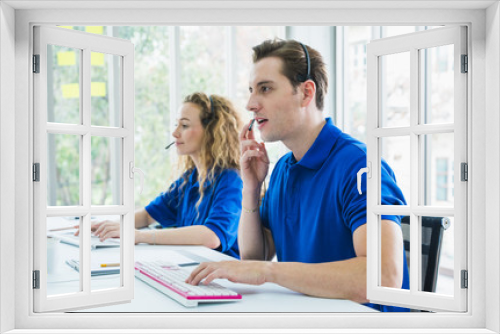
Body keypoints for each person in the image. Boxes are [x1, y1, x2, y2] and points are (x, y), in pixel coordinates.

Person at [185, 39, 409, 311]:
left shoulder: (360, 165)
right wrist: (251, 190)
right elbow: (255, 257)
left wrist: (270, 272)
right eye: (251, 91)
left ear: (306, 93)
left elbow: (384, 276)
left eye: (265, 89)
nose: (251, 104)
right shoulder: (281, 169)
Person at [76, 92, 244, 258]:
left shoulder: (231, 180)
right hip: (194, 268)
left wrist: (139, 236)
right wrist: (110, 226)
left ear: (210, 132)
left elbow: (211, 237)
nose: (175, 133)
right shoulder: (189, 179)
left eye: (184, 126)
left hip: (222, 278)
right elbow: (148, 215)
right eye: (176, 125)